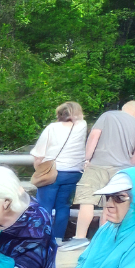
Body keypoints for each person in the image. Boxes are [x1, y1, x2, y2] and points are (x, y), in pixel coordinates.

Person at [74, 100, 135, 240]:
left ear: (123, 108)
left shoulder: (107, 116)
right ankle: (104, 240)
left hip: (97, 165)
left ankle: (79, 238)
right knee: (111, 206)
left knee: (87, 202)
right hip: (121, 171)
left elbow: (94, 136)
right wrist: (129, 166)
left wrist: (87, 158)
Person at [29, 101, 88, 243]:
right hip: (74, 172)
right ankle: (58, 238)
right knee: (64, 206)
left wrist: (39, 169)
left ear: (59, 114)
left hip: (53, 172)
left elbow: (39, 153)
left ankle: (42, 239)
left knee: (44, 206)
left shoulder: (52, 128)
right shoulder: (82, 126)